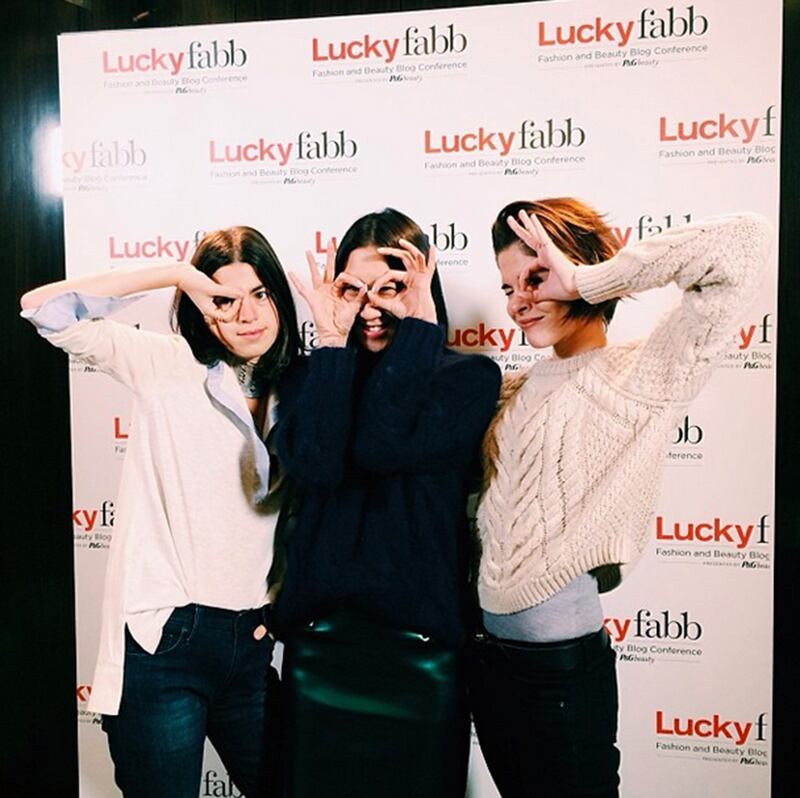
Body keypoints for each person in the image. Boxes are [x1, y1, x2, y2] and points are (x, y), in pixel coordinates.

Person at [469, 199, 771, 798]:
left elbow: (745, 243)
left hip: (559, 676)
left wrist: (587, 281)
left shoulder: (643, 373)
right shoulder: (513, 388)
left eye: (536, 277)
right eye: (507, 287)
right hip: (488, 666)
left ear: (576, 265)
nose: (518, 301)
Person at [19, 226, 300, 798]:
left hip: (252, 641)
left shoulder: (304, 388)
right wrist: (173, 274)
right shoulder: (167, 363)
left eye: (259, 294)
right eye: (224, 299)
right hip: (165, 641)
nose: (246, 315)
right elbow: (44, 308)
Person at [271, 207, 501, 797]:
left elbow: (382, 444)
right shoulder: (311, 377)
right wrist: (330, 342)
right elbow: (317, 466)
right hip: (320, 649)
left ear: (423, 288)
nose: (371, 307)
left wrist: (420, 330)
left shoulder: (469, 378)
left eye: (392, 287)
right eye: (354, 289)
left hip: (419, 654)